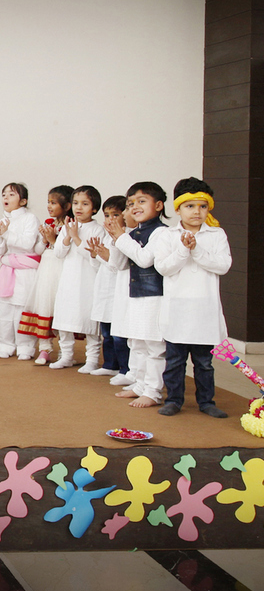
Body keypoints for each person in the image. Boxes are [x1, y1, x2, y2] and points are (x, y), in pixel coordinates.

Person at [155, 177, 231, 418]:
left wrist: (196, 249)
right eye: (190, 206)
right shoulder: (167, 235)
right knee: (175, 361)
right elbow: (164, 268)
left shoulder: (217, 234)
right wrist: (183, 249)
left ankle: (206, 402)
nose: (197, 212)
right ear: (178, 208)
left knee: (204, 363)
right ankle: (173, 400)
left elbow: (223, 266)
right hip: (177, 311)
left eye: (202, 206)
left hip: (204, 311)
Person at [105, 181, 170, 408]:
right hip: (136, 295)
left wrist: (122, 237)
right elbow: (119, 265)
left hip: (154, 296)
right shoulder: (133, 233)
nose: (135, 207)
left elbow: (144, 260)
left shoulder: (162, 232)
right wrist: (116, 238)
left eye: (142, 201)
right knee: (138, 343)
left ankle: (153, 391)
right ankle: (140, 385)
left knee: (154, 346)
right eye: (131, 203)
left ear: (159, 205)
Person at [50, 185, 106, 371]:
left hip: (88, 281)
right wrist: (67, 236)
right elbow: (58, 253)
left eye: (85, 204)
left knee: (89, 320)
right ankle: (66, 355)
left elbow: (94, 258)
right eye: (75, 203)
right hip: (68, 280)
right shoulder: (68, 227)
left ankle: (92, 360)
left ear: (95, 208)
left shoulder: (98, 230)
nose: (79, 207)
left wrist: (76, 237)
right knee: (64, 318)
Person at [18, 185, 72, 363]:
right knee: (44, 306)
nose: (49, 206)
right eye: (48, 202)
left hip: (62, 269)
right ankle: (45, 348)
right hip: (46, 271)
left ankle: (66, 351)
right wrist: (44, 239)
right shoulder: (49, 223)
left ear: (67, 205)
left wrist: (53, 240)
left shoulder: (71, 226)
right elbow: (39, 250)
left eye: (54, 203)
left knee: (61, 307)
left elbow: (65, 251)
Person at [0, 182, 44, 360]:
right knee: (5, 311)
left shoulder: (30, 218)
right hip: (8, 270)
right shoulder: (1, 222)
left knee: (23, 310)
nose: (6, 197)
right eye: (4, 194)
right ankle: (6, 345)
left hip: (25, 271)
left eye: (11, 194)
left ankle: (25, 347)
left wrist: (6, 234)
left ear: (23, 201)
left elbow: (27, 244)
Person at [85, 196, 131, 379]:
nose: (110, 219)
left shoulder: (126, 237)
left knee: (120, 335)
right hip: (104, 290)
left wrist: (106, 256)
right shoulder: (105, 236)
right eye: (107, 215)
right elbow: (98, 267)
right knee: (106, 332)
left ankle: (125, 369)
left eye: (116, 214)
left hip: (118, 291)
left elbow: (118, 266)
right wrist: (94, 255)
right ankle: (110, 364)